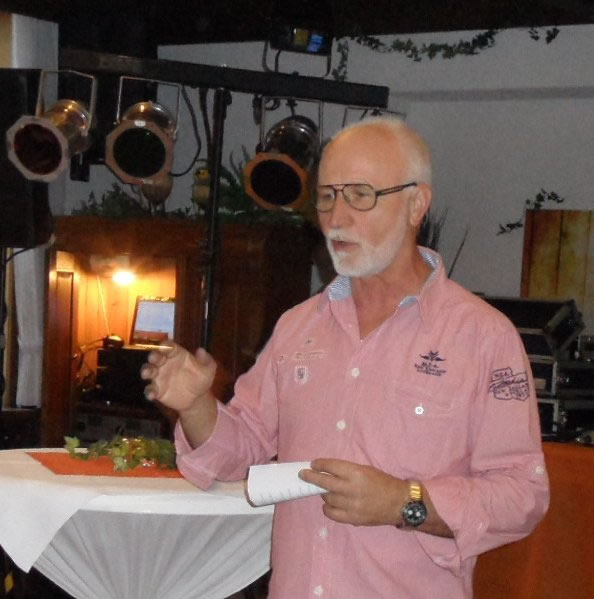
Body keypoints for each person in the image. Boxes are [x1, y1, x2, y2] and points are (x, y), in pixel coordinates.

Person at [141, 116, 550, 598]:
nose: (337, 217)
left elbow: (522, 494)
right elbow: (243, 450)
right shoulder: (298, 326)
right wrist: (195, 405)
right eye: (327, 196)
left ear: (416, 204)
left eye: (360, 195)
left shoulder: (482, 336)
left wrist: (404, 502)